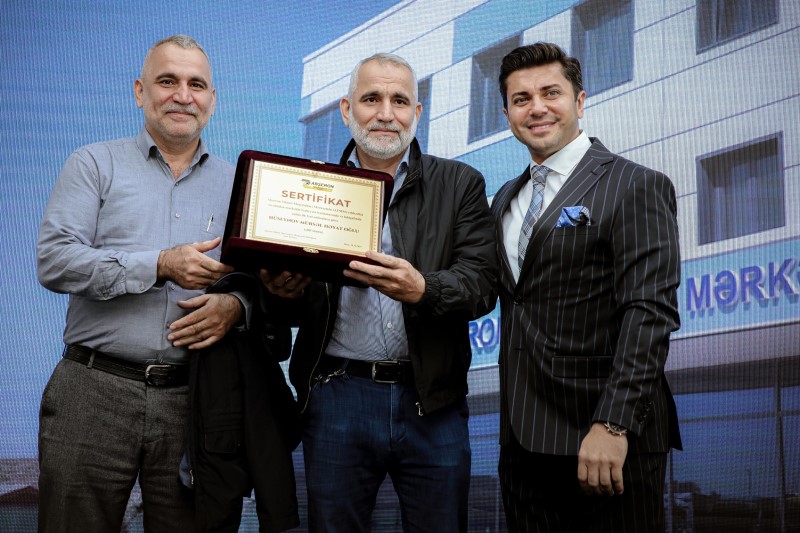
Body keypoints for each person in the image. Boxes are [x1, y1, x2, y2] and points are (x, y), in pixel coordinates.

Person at [260, 53, 498, 532]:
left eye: (399, 101)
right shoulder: (309, 188)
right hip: (337, 396)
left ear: (417, 112)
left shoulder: (461, 184)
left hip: (432, 401)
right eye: (371, 99)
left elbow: (482, 284)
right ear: (347, 110)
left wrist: (424, 288)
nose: (386, 113)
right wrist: (283, 293)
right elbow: (293, 305)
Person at [36, 34, 242, 532]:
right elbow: (55, 262)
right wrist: (159, 265)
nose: (182, 95)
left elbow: (257, 284)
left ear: (212, 100)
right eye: (167, 81)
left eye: (196, 85)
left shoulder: (242, 185)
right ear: (139, 91)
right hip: (93, 391)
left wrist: (237, 307)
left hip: (194, 399)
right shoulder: (93, 164)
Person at [491, 42, 682, 532]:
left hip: (606, 442)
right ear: (508, 115)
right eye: (521, 99)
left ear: (579, 101)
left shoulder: (635, 184)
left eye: (551, 93)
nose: (536, 107)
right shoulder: (505, 200)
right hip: (523, 449)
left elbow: (649, 312)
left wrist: (614, 424)